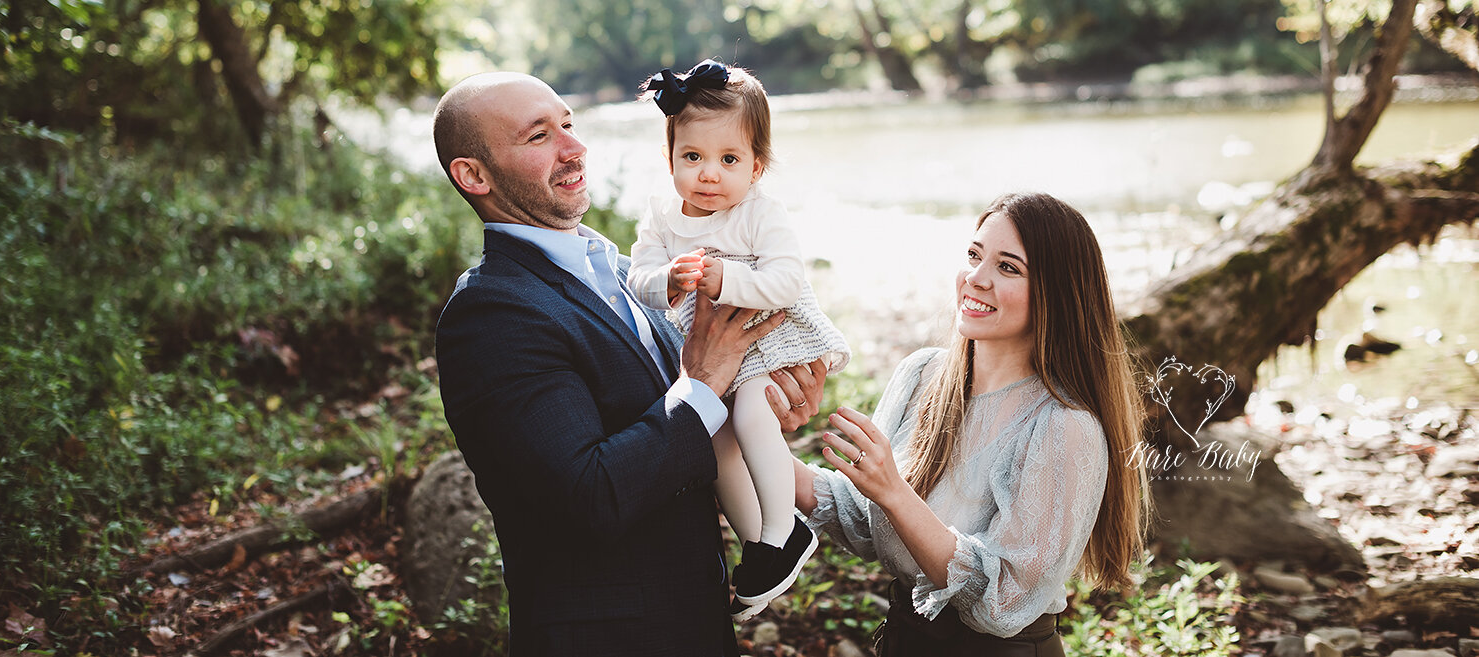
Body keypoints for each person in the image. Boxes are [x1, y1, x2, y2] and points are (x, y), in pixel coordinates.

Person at [431, 72, 828, 657]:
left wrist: (754, 407)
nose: (574, 148)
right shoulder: (491, 313)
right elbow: (590, 495)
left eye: (568, 124)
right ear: (475, 175)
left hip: (697, 620)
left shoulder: (626, 275)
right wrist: (706, 385)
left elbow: (684, 435)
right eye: (539, 136)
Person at [794, 192, 1149, 656]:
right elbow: (863, 518)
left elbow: (1003, 604)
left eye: (1008, 267)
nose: (975, 279)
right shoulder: (922, 376)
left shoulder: (1064, 427)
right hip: (905, 638)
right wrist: (736, 429)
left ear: (1056, 294)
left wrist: (894, 491)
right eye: (974, 255)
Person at [625, 60, 852, 619]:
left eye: (729, 160)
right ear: (669, 158)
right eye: (693, 158)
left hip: (764, 336)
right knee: (714, 440)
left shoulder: (759, 214)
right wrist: (668, 280)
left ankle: (782, 530)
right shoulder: (659, 216)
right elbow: (638, 280)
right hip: (703, 350)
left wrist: (728, 278)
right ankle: (759, 541)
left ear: (757, 166)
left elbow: (786, 281)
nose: (709, 174)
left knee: (751, 417)